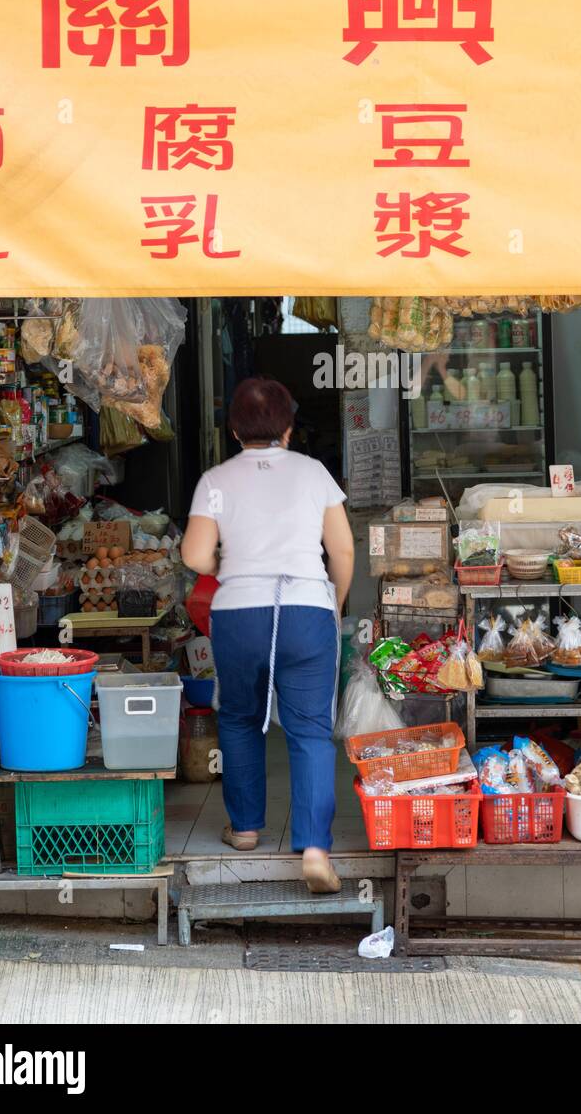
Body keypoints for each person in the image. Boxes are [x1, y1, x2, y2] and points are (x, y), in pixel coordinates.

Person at [181, 376, 355, 894]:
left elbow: (193, 556)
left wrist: (226, 560)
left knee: (238, 720)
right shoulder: (314, 472)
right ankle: (316, 848)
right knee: (309, 730)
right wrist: (334, 605)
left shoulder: (215, 479)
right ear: (288, 427)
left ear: (234, 429)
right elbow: (342, 552)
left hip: (237, 613)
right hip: (305, 608)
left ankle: (247, 829)